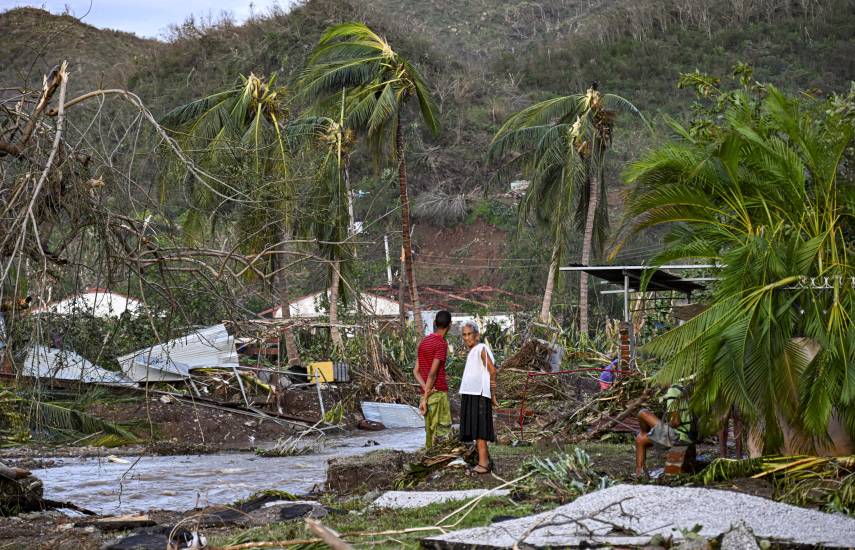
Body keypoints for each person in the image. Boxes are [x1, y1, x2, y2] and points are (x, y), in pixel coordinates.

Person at [458, 319, 498, 474]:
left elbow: (493, 371)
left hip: (479, 394)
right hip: (472, 393)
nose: (467, 338)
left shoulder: (481, 348)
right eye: (464, 335)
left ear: (476, 335)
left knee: (480, 428)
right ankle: (485, 461)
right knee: (476, 427)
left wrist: (493, 394)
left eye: (470, 334)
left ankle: (483, 463)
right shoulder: (473, 350)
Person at [635, 384, 696, 475]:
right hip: (688, 434)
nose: (659, 385)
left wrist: (663, 425)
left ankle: (639, 473)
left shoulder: (673, 391)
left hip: (678, 436)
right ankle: (639, 472)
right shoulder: (684, 388)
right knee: (640, 439)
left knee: (642, 413)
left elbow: (676, 422)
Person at [415, 310, 452, 449]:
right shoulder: (441, 344)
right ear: (450, 325)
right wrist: (426, 396)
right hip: (438, 395)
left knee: (430, 436)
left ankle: (430, 463)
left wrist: (425, 391)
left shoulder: (424, 342)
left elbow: (416, 371)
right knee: (442, 436)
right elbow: (432, 374)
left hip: (427, 394)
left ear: (435, 323)